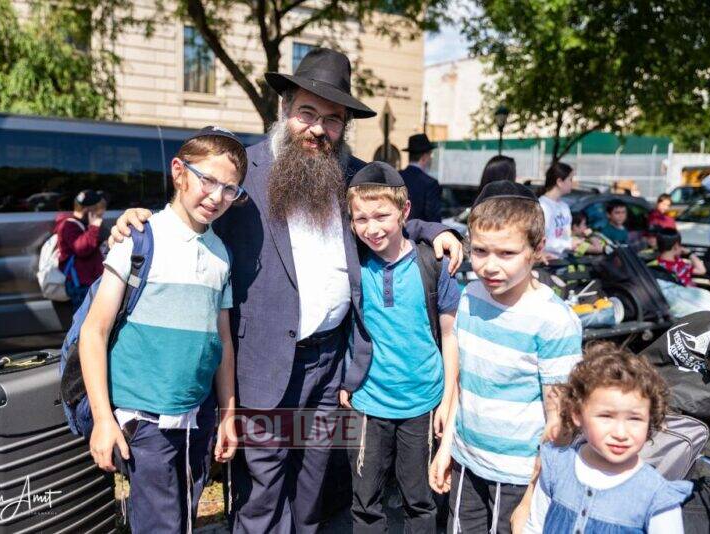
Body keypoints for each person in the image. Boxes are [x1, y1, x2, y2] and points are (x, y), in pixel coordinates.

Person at [108, 47, 463, 534]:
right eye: (307, 113)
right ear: (285, 109)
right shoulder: (243, 172)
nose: (318, 128)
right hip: (263, 367)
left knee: (313, 490)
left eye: (332, 120)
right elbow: (189, 213)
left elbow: (390, 216)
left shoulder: (350, 174)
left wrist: (437, 231)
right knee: (262, 493)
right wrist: (136, 221)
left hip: (332, 371)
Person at [78, 127, 246, 534]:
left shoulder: (221, 254)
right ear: (179, 172)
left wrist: (227, 414)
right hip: (145, 420)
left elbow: (222, 340)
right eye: (208, 180)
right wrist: (102, 419)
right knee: (161, 524)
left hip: (197, 415)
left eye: (230, 189)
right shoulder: (139, 239)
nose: (216, 197)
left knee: (184, 516)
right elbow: (94, 332)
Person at [429, 180, 583, 533]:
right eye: (481, 251)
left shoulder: (554, 320)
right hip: (467, 461)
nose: (489, 266)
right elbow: (465, 383)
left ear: (537, 249)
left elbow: (559, 421)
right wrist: (447, 447)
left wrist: (531, 496)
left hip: (519, 475)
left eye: (507, 254)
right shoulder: (470, 296)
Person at [339, 162, 461, 532]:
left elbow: (451, 338)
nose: (372, 228)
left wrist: (448, 400)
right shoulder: (353, 261)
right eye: (361, 219)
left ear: (404, 211)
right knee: (365, 503)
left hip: (422, 402)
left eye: (382, 216)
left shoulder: (433, 264)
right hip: (368, 402)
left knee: (420, 502)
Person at [519, 342, 692, 534]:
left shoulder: (657, 496)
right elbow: (535, 526)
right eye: (606, 416)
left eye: (634, 419)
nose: (620, 433)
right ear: (577, 414)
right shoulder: (557, 466)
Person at [56, 189, 106, 310]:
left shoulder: (84, 223)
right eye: (98, 211)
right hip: (80, 283)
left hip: (90, 280)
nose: (101, 214)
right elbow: (82, 249)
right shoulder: (69, 225)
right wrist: (94, 226)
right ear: (88, 210)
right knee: (83, 316)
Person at [400, 133, 443, 222]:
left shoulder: (396, 177)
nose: (431, 159)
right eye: (430, 155)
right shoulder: (430, 184)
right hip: (419, 231)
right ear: (424, 157)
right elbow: (434, 222)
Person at [539, 162, 574, 259]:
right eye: (570, 179)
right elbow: (539, 241)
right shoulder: (542, 206)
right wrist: (569, 244)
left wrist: (577, 241)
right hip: (547, 263)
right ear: (559, 182)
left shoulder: (565, 206)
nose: (572, 183)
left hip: (564, 260)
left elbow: (566, 236)